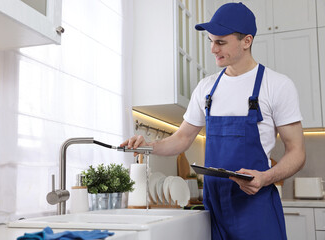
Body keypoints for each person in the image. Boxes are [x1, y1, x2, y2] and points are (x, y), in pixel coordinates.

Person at [121, 2, 305, 240]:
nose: (212, 49)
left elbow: (297, 152)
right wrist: (148, 145)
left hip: (255, 209)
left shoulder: (277, 86)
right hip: (214, 211)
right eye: (211, 41)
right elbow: (182, 138)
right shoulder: (207, 89)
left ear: (246, 41)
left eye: (220, 42)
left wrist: (265, 177)